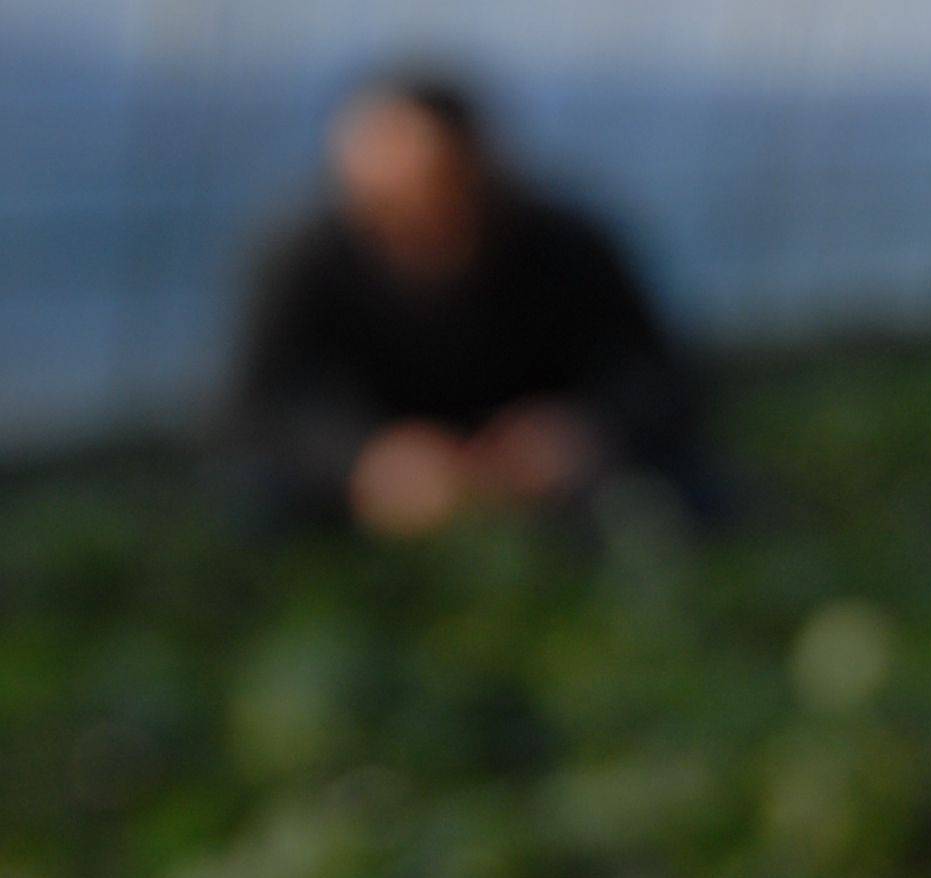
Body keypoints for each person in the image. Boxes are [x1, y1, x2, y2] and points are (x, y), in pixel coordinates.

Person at [231, 72, 711, 538]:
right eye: (385, 198)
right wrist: (362, 461)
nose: (413, 216)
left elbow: (658, 377)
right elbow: (262, 404)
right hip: (367, 493)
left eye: (430, 190)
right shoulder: (305, 257)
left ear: (477, 171)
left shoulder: (567, 246)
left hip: (550, 494)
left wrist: (580, 431)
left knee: (680, 498)